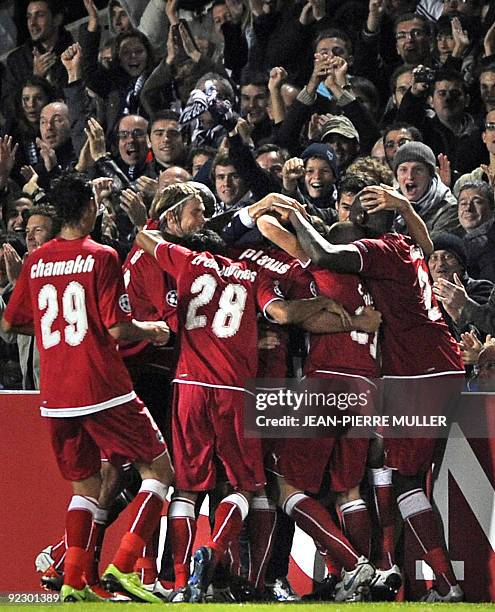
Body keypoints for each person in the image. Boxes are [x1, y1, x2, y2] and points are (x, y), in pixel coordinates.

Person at [268, 189, 465, 602]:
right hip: (404, 374)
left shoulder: (364, 256)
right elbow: (427, 247)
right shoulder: (406, 248)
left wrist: (293, 212)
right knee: (361, 484)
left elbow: (311, 255)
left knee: (288, 485)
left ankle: (367, 569)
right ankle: (390, 568)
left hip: (399, 374)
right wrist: (407, 208)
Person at [1, 171, 174, 603]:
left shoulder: (37, 260)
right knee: (160, 470)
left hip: (56, 393)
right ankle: (126, 566)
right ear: (87, 209)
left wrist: (49, 329)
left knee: (86, 486)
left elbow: (9, 324)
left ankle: (75, 581)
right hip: (102, 385)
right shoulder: (101, 256)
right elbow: (116, 327)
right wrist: (153, 331)